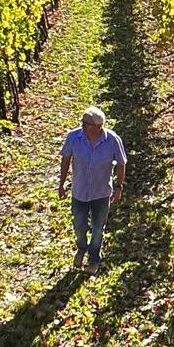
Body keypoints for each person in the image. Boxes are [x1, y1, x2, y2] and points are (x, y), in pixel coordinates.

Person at [59, 106, 127, 274]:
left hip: (101, 193)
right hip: (79, 192)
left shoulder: (112, 140)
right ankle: (82, 247)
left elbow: (121, 163)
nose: (82, 125)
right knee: (79, 225)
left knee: (98, 228)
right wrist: (61, 184)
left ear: (98, 126)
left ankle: (94, 258)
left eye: (86, 123)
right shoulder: (74, 137)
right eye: (82, 122)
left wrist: (118, 186)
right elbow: (66, 159)